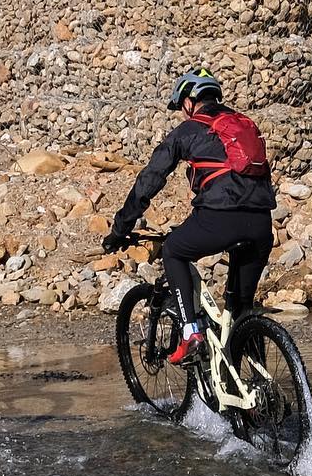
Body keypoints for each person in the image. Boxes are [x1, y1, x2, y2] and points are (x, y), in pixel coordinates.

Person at [104, 66, 276, 364]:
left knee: (173, 250)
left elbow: (150, 180)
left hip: (220, 218)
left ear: (188, 101)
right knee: (241, 310)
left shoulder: (188, 130)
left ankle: (190, 333)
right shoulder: (243, 125)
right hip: (261, 222)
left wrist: (120, 229)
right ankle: (258, 386)